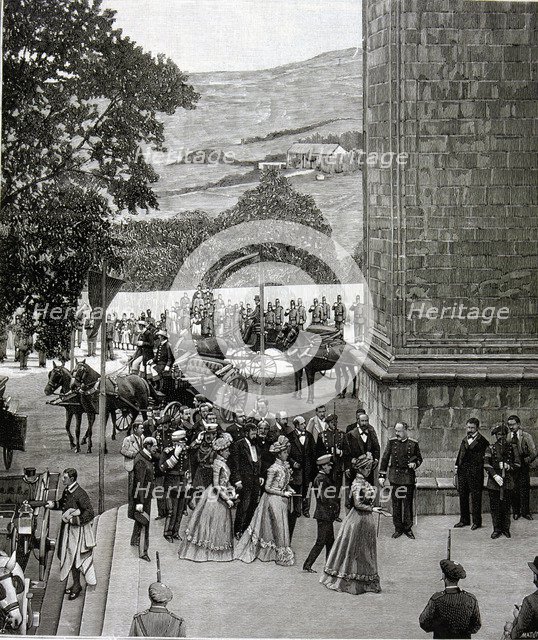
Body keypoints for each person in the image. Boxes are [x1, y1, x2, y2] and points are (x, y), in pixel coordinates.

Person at [320, 454, 381, 595]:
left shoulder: (364, 482)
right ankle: (351, 582)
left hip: (366, 520)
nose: (369, 470)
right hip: (357, 520)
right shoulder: (356, 484)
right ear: (362, 469)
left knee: (365, 550)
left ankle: (365, 582)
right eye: (367, 468)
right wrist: (374, 509)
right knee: (354, 549)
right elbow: (358, 504)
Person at [234, 435, 295, 566]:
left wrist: (289, 488)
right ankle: (274, 553)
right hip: (272, 501)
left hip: (282, 501)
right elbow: (267, 488)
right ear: (278, 455)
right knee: (274, 526)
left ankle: (279, 552)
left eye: (286, 452)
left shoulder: (284, 467)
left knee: (281, 526)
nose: (286, 455)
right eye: (284, 453)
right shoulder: (273, 469)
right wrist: (283, 493)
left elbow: (284, 482)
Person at [178, 433, 236, 562]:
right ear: (221, 451)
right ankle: (207, 553)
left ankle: (217, 553)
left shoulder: (223, 463)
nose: (229, 453)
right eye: (227, 451)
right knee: (210, 524)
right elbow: (216, 485)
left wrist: (231, 491)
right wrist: (226, 498)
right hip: (214, 497)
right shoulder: (217, 464)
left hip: (222, 493)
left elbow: (225, 481)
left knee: (220, 525)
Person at [46, 468, 96, 600]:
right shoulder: (67, 490)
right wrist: (53, 505)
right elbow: (63, 504)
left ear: (72, 479)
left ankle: (77, 586)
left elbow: (89, 512)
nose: (63, 480)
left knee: (75, 559)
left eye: (65, 478)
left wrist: (74, 520)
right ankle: (76, 584)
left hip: (76, 531)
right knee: (70, 558)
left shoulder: (80, 493)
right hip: (68, 530)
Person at [378, 421, 422, 539]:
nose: (396, 433)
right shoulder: (392, 443)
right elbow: (385, 459)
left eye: (399, 431)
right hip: (395, 477)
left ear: (405, 430)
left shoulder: (413, 444)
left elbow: (419, 459)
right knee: (396, 504)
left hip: (408, 478)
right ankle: (398, 528)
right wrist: (382, 475)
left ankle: (408, 528)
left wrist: (415, 464)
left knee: (407, 504)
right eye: (396, 431)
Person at [419, 559, 481, 639]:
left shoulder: (436, 599)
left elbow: (423, 622)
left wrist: (439, 629)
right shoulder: (471, 599)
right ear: (458, 578)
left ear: (444, 576)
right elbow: (476, 625)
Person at [303, 455, 339, 573]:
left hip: (325, 514)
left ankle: (329, 566)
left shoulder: (322, 477)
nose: (330, 467)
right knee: (321, 541)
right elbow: (324, 498)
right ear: (323, 466)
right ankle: (308, 564)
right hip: (324, 514)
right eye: (328, 465)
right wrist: (334, 506)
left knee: (330, 542)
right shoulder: (321, 479)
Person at [484, 424, 520, 539]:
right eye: (499, 434)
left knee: (506, 506)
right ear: (495, 435)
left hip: (508, 482)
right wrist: (495, 475)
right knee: (495, 507)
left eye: (504, 434)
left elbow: (518, 464)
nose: (501, 437)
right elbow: (486, 463)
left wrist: (508, 466)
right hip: (494, 482)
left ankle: (506, 529)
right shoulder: (490, 448)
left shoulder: (512, 447)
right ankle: (496, 529)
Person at [454, 417, 490, 530]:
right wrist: (456, 468)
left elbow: (484, 460)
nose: (469, 429)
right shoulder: (464, 439)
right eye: (468, 427)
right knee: (463, 497)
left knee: (476, 498)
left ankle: (477, 522)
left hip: (475, 474)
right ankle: (464, 520)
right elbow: (460, 455)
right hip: (463, 473)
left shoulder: (483, 441)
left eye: (472, 428)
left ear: (477, 428)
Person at [230, 421, 262, 538]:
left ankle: (245, 530)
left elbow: (259, 462)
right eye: (253, 434)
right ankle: (237, 530)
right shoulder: (238, 445)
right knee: (244, 506)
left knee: (253, 505)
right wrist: (237, 480)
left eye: (256, 433)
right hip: (244, 481)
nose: (255, 436)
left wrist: (260, 476)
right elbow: (235, 464)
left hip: (255, 480)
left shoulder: (256, 445)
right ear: (246, 433)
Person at [130, 437, 159, 561]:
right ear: (148, 446)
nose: (156, 448)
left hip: (145, 495)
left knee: (140, 521)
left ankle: (134, 541)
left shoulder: (145, 457)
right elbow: (139, 484)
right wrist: (139, 503)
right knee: (144, 523)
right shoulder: (142, 461)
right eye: (154, 446)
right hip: (143, 497)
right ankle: (143, 552)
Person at [160, 430, 190, 543]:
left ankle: (175, 532)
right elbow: (162, 468)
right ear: (176, 442)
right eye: (182, 442)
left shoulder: (185, 450)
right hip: (171, 484)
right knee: (172, 510)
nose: (184, 444)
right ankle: (167, 532)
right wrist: (175, 456)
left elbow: (187, 468)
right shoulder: (168, 452)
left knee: (180, 510)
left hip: (182, 484)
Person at [287, 415, 316, 527]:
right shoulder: (290, 437)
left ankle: (306, 510)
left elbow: (313, 452)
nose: (305, 425)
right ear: (296, 425)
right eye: (302, 424)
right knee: (297, 488)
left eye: (305, 423)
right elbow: (287, 454)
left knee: (307, 489)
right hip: (296, 469)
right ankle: (297, 510)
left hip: (307, 468)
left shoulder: (309, 436)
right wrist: (293, 462)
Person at [316, 413, 345, 521]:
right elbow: (318, 452)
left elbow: (346, 451)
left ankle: (336, 514)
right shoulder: (322, 435)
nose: (335, 425)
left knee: (337, 492)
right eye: (332, 423)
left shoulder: (341, 435)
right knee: (326, 491)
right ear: (328, 424)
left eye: (336, 422)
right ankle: (327, 512)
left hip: (337, 468)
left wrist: (340, 452)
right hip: (326, 468)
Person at [508, 414, 536, 521]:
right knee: (514, 489)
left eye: (513, 424)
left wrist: (527, 460)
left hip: (523, 466)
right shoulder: (507, 436)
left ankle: (526, 512)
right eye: (509, 425)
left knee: (524, 489)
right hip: (513, 467)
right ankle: (516, 512)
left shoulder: (526, 436)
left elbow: (533, 452)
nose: (511, 427)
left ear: (518, 424)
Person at [344, 411, 380, 485]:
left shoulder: (371, 432)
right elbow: (346, 453)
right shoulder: (351, 434)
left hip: (368, 470)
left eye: (366, 421)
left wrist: (376, 459)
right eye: (362, 421)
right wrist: (347, 467)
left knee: (368, 492)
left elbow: (376, 448)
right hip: (355, 470)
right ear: (358, 421)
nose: (364, 423)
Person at [507, 556, 538, 639]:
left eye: (534, 573)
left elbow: (516, 633)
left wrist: (518, 616)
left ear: (536, 576)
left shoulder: (530, 601)